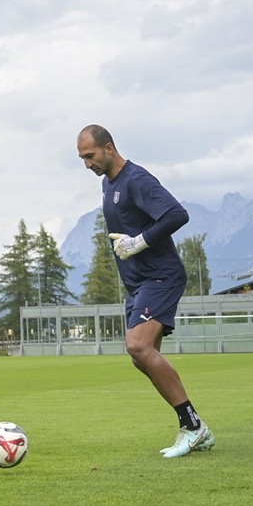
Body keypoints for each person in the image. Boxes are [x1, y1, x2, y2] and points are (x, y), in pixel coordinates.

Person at [76, 124, 214, 458]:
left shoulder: (136, 179)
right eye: (81, 158)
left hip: (160, 277)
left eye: (90, 156)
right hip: (138, 284)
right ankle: (195, 428)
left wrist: (139, 242)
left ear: (109, 148)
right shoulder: (109, 185)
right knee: (142, 357)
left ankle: (194, 427)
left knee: (137, 346)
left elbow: (177, 214)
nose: (87, 164)